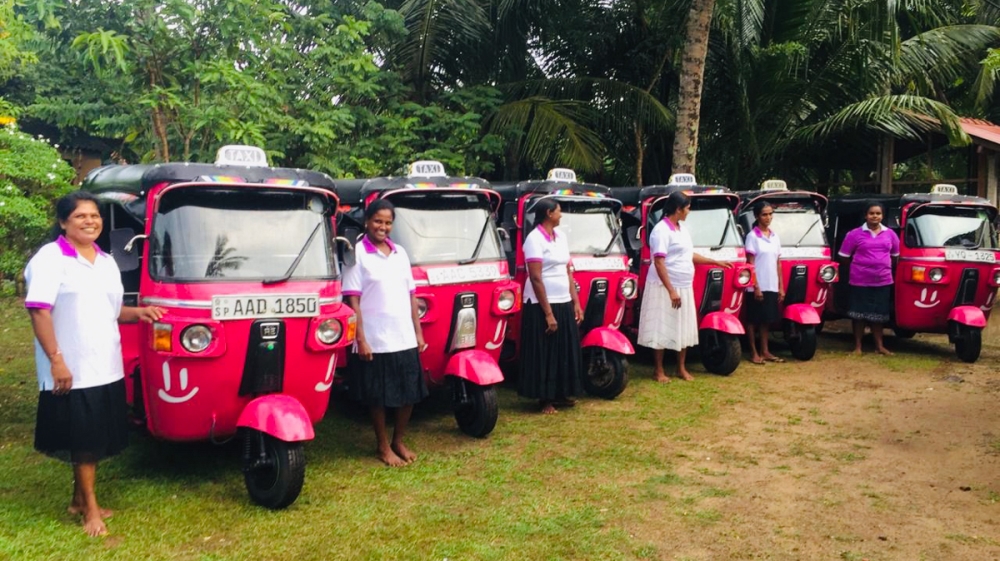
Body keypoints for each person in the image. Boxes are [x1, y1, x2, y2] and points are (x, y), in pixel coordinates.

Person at [25, 191, 165, 537]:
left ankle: (77, 499)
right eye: (80, 216)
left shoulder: (105, 261)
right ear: (63, 223)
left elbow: (112, 310)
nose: (90, 221)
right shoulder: (50, 258)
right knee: (84, 440)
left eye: (95, 215)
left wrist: (140, 312)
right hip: (71, 366)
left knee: (90, 437)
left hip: (105, 363)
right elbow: (39, 311)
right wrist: (56, 360)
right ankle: (90, 508)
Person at [343, 199, 428, 467]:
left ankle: (398, 441)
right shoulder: (356, 254)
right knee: (378, 396)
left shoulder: (400, 253)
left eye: (388, 222)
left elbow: (411, 295)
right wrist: (361, 339)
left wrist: (418, 333)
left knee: (409, 392)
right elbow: (353, 300)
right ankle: (382, 446)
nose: (383, 227)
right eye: (378, 221)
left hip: (403, 335)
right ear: (367, 221)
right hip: (375, 338)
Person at [638, 191, 732, 382]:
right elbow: (659, 262)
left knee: (683, 325)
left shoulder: (682, 229)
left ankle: (681, 368)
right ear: (678, 209)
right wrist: (671, 290)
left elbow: (689, 254)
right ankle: (659, 370)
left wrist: (714, 261)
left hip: (684, 285)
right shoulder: (661, 230)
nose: (689, 212)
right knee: (661, 325)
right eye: (687, 208)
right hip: (664, 286)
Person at [518, 198, 583, 414]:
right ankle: (544, 398)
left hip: (563, 300)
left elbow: (567, 271)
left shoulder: (561, 237)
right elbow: (536, 278)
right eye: (558, 211)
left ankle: (561, 392)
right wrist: (548, 313)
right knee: (545, 351)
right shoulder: (534, 239)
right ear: (548, 213)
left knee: (564, 349)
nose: (561, 215)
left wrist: (575, 302)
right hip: (541, 304)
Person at [838, 200, 899, 355]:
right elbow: (844, 256)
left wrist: (881, 267)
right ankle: (858, 347)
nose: (875, 216)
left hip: (883, 281)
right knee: (858, 315)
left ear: (882, 216)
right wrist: (859, 268)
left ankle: (879, 346)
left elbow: (895, 256)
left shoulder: (890, 234)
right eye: (871, 213)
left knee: (879, 315)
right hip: (860, 281)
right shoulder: (854, 234)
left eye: (878, 213)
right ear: (865, 215)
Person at [743, 201, 785, 364]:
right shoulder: (752, 237)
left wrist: (781, 287)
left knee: (766, 319)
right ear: (757, 216)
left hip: (771, 284)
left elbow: (778, 263)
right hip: (756, 285)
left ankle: (765, 350)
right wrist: (756, 287)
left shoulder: (775, 237)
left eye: (770, 214)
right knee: (753, 319)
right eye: (764, 214)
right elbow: (750, 263)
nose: (768, 217)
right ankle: (754, 352)